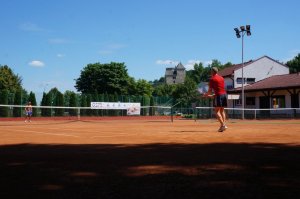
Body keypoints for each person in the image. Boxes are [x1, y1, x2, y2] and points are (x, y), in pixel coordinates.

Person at [204, 67, 228, 132]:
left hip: (219, 96)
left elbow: (209, 91)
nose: (210, 72)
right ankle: (223, 125)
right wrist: (213, 95)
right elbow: (220, 89)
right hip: (224, 95)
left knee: (216, 111)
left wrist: (206, 95)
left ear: (212, 72)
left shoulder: (212, 79)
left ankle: (223, 125)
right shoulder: (222, 78)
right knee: (222, 111)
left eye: (210, 71)